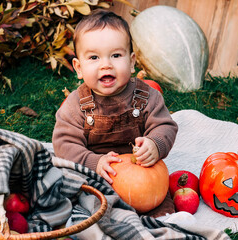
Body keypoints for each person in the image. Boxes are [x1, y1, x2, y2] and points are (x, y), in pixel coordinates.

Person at [52, 9, 178, 218]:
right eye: (94, 57)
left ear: (131, 61)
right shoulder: (76, 105)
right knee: (88, 210)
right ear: (78, 67)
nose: (106, 64)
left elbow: (165, 125)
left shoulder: (147, 97)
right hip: (97, 180)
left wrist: (155, 144)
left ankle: (159, 225)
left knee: (162, 211)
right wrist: (93, 162)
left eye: (116, 55)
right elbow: (64, 145)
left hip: (144, 179)